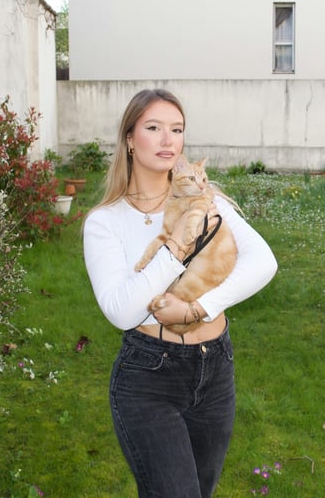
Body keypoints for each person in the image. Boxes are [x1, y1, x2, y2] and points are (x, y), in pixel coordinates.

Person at [83, 89, 278, 497]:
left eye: (177, 129)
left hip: (215, 368)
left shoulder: (208, 201)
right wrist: (176, 249)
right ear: (130, 139)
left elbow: (263, 262)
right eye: (154, 128)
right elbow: (122, 311)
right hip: (149, 377)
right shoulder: (106, 221)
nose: (167, 139)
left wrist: (197, 309)